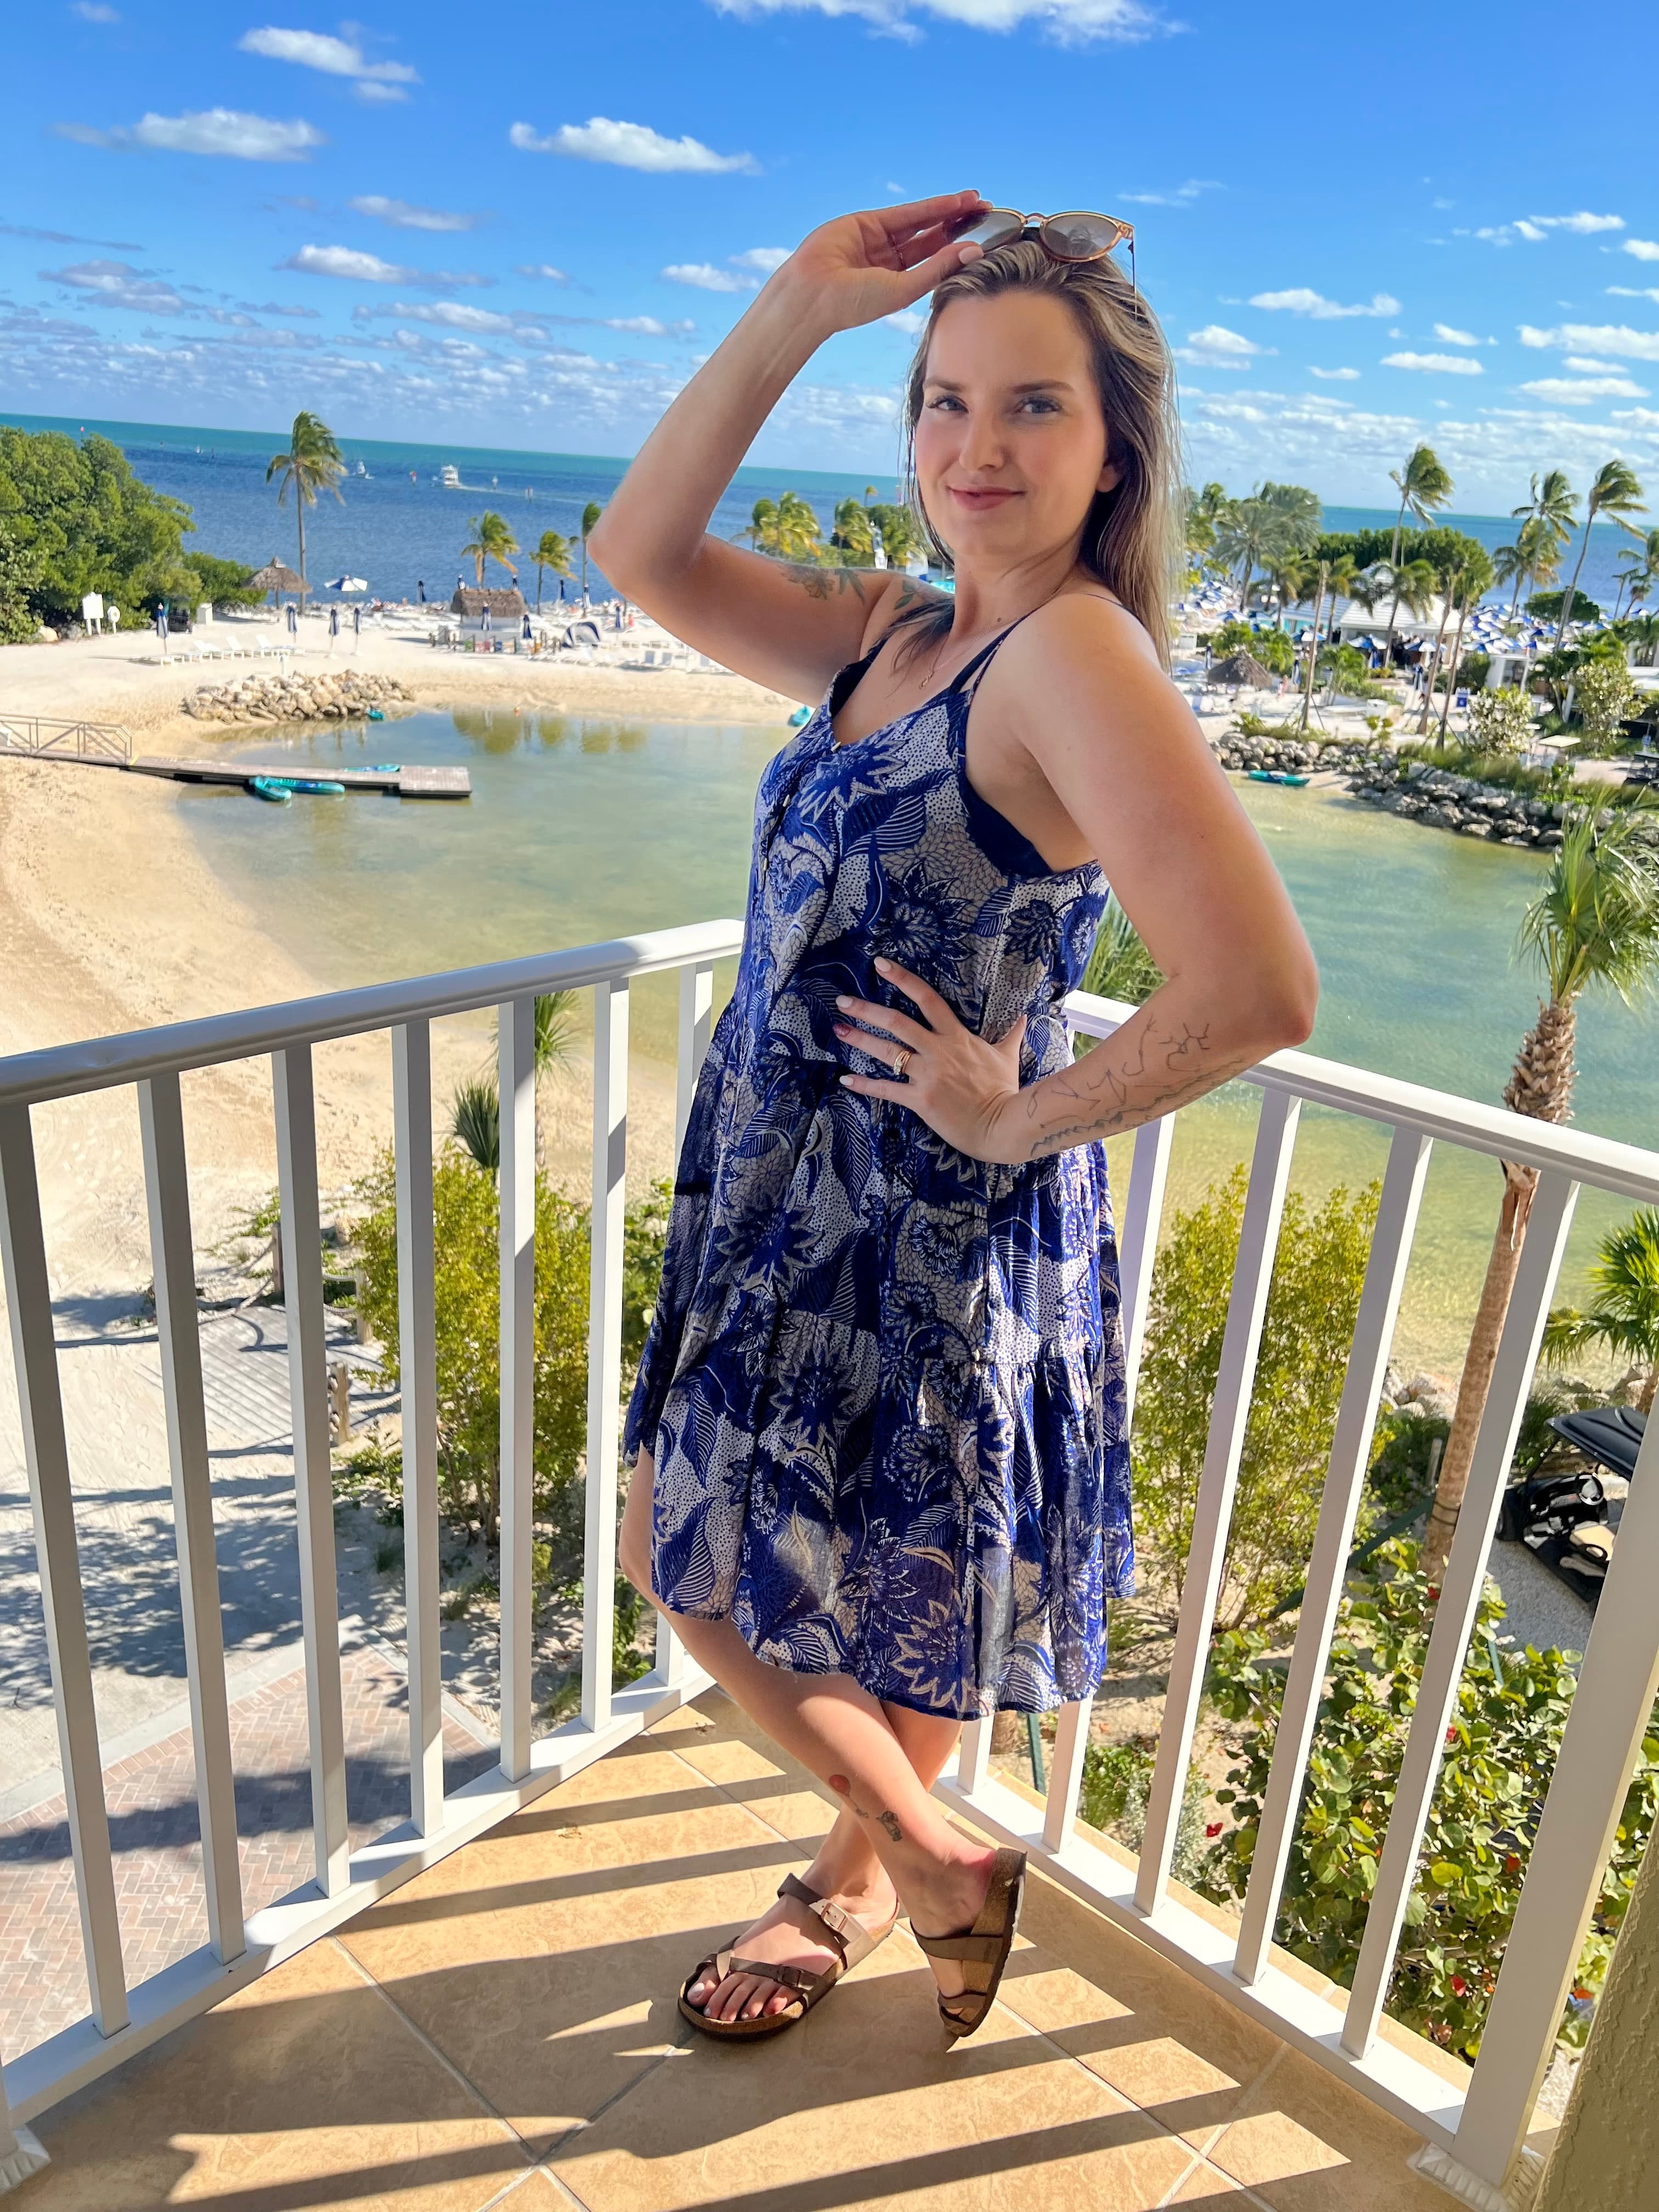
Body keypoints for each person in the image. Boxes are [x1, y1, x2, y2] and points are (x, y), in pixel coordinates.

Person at [591, 191, 1317, 2046]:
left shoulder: (1073, 659)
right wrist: (793, 305)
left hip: (919, 1227)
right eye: (941, 403)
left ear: (1115, 447)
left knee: (679, 1557)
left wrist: (1016, 1117)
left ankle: (904, 1855)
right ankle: (891, 1864)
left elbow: (1255, 991)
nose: (975, 449)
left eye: (1033, 409)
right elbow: (639, 546)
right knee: (878, 1587)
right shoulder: (887, 632)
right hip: (778, 1193)